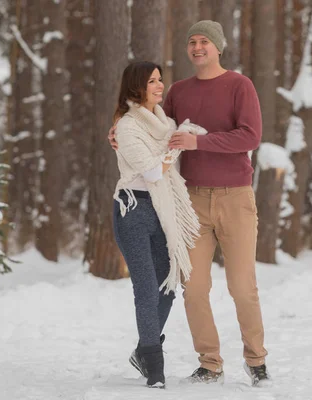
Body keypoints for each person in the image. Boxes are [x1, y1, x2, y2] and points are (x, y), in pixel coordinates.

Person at [109, 20, 270, 387]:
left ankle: (256, 359)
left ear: (218, 47)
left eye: (204, 42)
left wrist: (201, 143)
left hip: (235, 197)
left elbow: (251, 135)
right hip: (191, 201)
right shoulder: (179, 91)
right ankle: (210, 363)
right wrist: (116, 127)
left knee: (242, 286)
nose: (197, 47)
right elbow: (150, 120)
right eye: (192, 42)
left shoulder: (239, 86)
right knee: (193, 287)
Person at [112, 61, 200, 389]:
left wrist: (175, 144)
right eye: (152, 81)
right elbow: (150, 171)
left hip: (162, 209)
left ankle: (142, 350)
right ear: (137, 86)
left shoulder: (165, 123)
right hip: (132, 209)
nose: (160, 86)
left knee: (167, 286)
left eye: (160, 80)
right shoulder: (127, 125)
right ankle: (154, 364)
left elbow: (165, 159)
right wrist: (173, 149)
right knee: (146, 288)